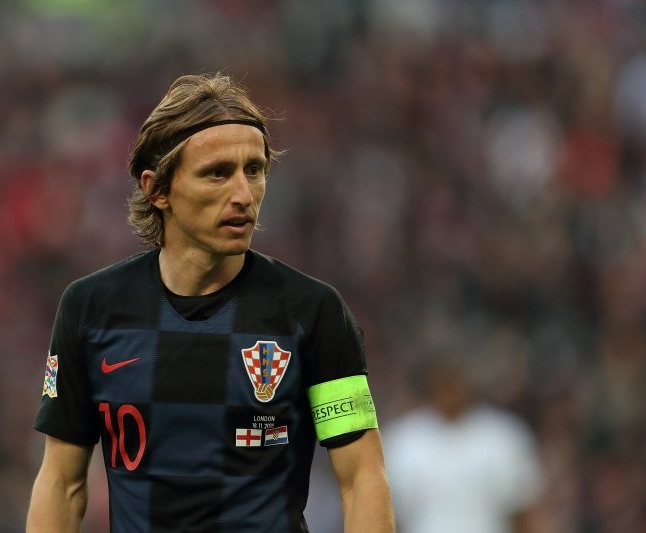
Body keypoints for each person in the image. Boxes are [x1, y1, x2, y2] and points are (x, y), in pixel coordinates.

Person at [26, 73, 395, 533]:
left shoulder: (313, 312)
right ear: (157, 189)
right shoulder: (91, 309)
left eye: (254, 170)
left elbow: (362, 478)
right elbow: (62, 483)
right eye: (217, 173)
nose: (243, 195)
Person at [381, 349, 543, 533]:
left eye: (455, 383)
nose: (450, 392)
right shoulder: (402, 440)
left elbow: (525, 510)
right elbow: (387, 515)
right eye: (443, 384)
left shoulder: (504, 436)